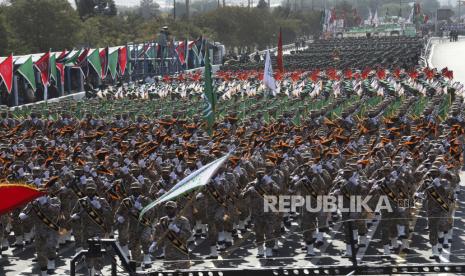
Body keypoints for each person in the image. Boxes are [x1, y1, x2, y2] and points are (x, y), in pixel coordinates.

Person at [150, 201, 191, 270]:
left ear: (175, 209)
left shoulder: (183, 220)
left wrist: (177, 230)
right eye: (167, 208)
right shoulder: (163, 220)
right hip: (168, 253)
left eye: (171, 208)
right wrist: (154, 243)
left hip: (180, 251)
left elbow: (188, 235)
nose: (168, 210)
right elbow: (157, 232)